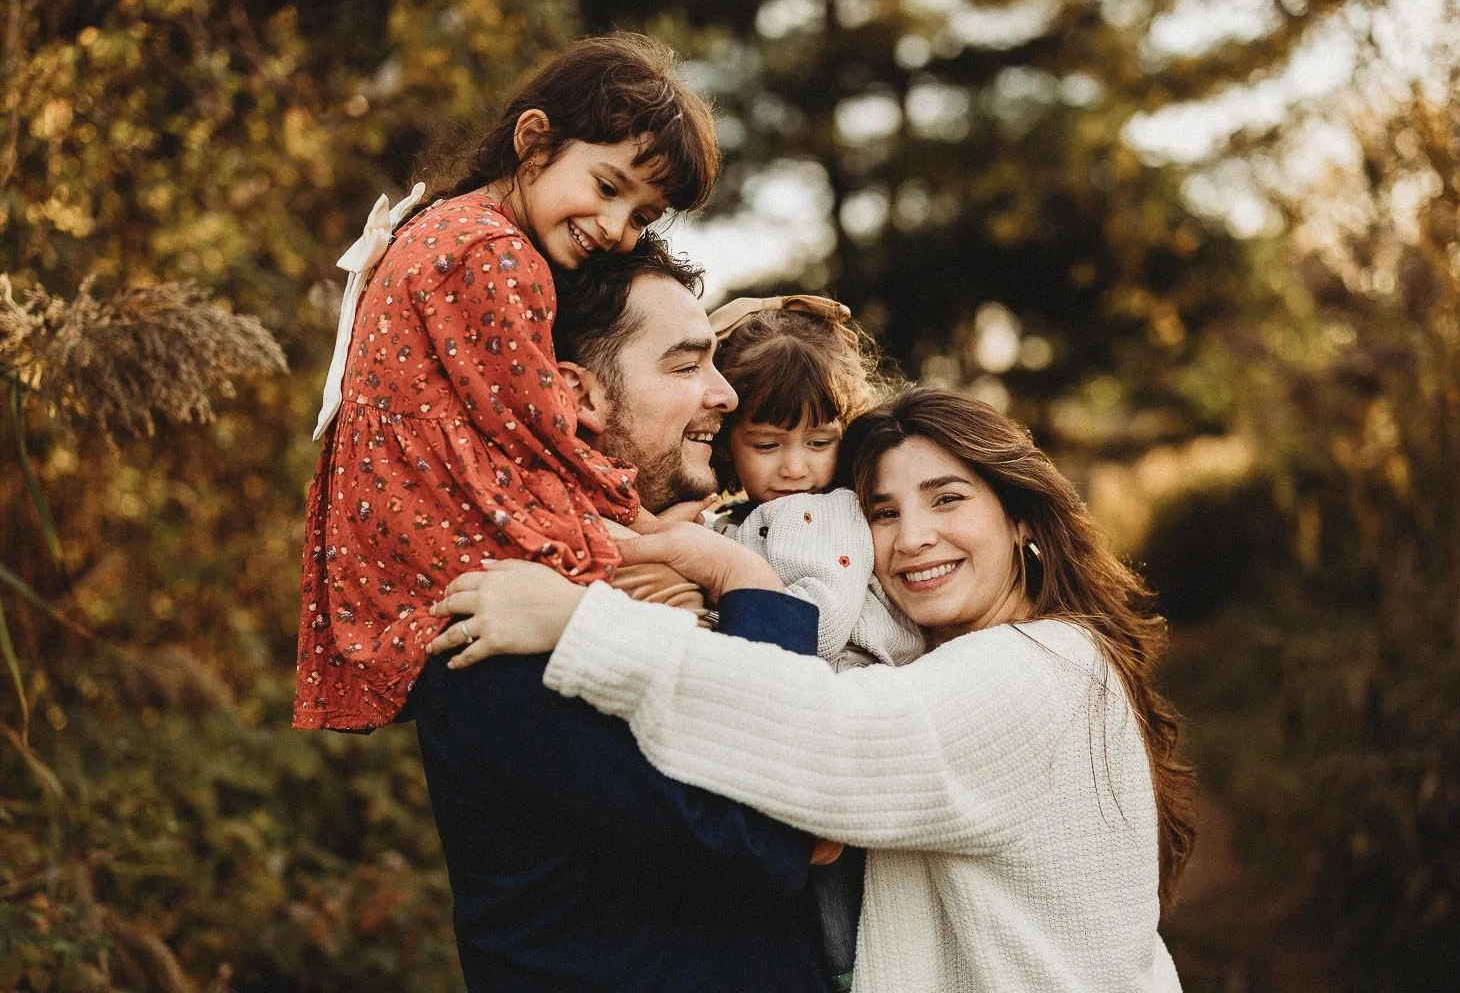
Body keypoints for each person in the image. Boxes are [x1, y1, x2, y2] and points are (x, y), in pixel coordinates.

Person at [431, 387, 1197, 993]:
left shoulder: (1038, 668)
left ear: (1021, 519)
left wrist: (580, 623)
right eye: (883, 514)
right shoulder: (989, 662)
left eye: (949, 498)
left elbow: (832, 737)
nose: (914, 537)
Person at [404, 236, 833, 992]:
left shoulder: (662, 562)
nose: (726, 394)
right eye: (684, 364)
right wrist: (747, 579)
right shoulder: (508, 604)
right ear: (580, 395)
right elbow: (774, 833)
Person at [294, 32, 716, 732]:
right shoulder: (495, 254)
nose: (615, 227)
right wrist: (634, 522)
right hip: (452, 534)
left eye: (640, 216)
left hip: (396, 534)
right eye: (608, 187)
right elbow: (537, 429)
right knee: (675, 606)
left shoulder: (444, 226)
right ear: (533, 141)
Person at [703, 293, 925, 988]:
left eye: (819, 442)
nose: (795, 466)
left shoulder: (816, 512)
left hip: (849, 730)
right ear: (724, 437)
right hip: (830, 735)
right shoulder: (750, 518)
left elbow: (816, 629)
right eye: (766, 445)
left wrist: (713, 625)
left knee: (843, 938)